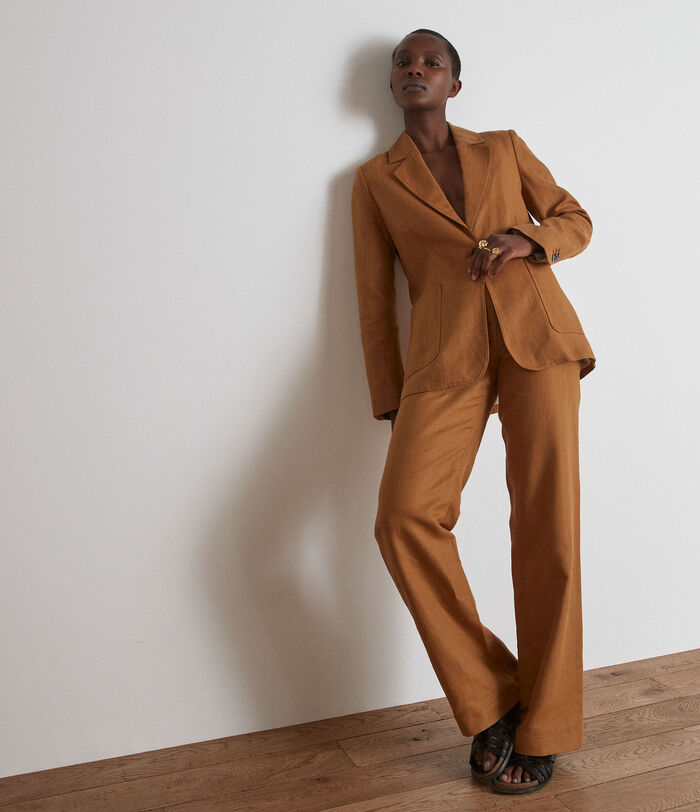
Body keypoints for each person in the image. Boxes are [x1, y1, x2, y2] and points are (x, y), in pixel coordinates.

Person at [350, 28, 597, 795]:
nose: (415, 69)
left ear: (454, 84)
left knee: (547, 526)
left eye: (432, 62)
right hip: (443, 359)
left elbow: (576, 219)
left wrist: (526, 237)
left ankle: (548, 725)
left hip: (538, 339)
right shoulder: (375, 179)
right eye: (404, 62)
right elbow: (373, 297)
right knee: (404, 518)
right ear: (393, 83)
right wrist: (392, 397)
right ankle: (493, 696)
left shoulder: (503, 148)